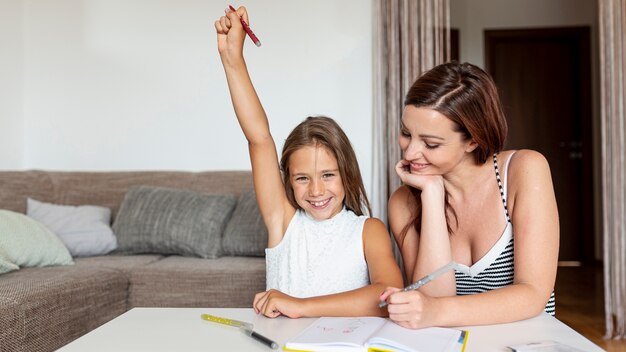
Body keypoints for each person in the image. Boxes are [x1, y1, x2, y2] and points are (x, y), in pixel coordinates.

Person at [214, 6, 402, 319]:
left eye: (327, 175)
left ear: (347, 174)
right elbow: (259, 138)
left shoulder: (369, 230)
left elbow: (387, 296)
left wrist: (300, 306)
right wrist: (232, 58)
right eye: (302, 178)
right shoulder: (284, 223)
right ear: (287, 180)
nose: (316, 191)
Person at [379, 62, 559, 329]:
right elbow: (432, 300)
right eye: (406, 133)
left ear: (473, 140)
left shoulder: (524, 170)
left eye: (431, 144)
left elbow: (532, 295)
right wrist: (431, 193)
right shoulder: (404, 202)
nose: (409, 153)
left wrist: (434, 311)